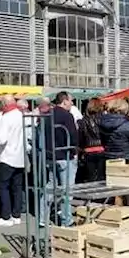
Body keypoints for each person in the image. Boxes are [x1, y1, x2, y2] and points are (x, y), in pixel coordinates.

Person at [0, 95, 26, 227]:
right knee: (17, 187)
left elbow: (1, 139)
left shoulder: (6, 117)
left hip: (7, 156)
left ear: (5, 104)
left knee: (3, 187)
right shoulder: (20, 114)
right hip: (20, 156)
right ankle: (16, 215)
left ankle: (6, 216)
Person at [48, 92, 80, 225]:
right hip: (65, 156)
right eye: (71, 101)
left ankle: (43, 218)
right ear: (64, 101)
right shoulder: (67, 116)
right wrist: (75, 151)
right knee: (67, 190)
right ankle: (66, 219)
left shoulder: (47, 115)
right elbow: (73, 136)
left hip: (50, 156)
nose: (72, 103)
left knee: (49, 188)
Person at [78, 97, 106, 181]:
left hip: (88, 150)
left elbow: (80, 137)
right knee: (101, 177)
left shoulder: (83, 121)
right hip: (102, 149)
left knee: (90, 177)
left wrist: (81, 150)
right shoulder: (104, 119)